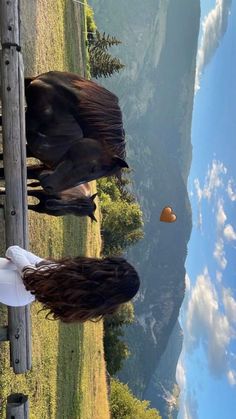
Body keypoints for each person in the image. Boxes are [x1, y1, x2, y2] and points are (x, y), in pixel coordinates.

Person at [0, 246, 140, 323]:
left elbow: (31, 275)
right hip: (18, 289)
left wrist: (14, 251)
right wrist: (16, 253)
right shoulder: (82, 294)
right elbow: (38, 264)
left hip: (15, 286)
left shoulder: (77, 277)